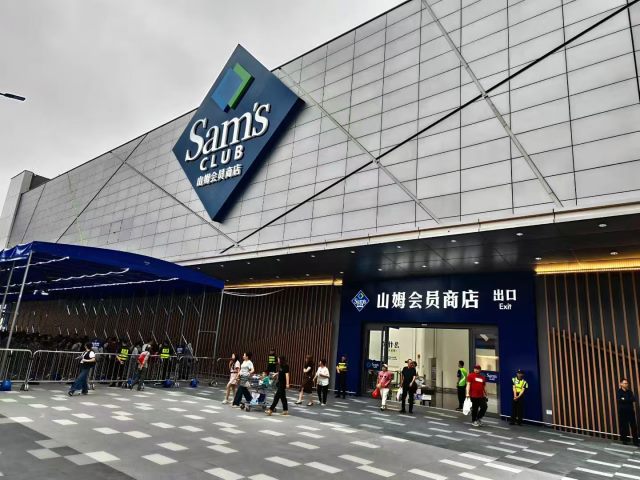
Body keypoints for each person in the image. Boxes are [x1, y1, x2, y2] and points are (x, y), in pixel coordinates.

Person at [617, 378, 639, 445]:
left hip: (630, 411)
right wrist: (628, 399)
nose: (626, 384)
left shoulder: (630, 392)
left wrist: (625, 399)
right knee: (624, 426)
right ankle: (624, 440)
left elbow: (634, 399)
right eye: (624, 383)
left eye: (627, 383)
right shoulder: (619, 392)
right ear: (621, 384)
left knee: (634, 426)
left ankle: (635, 441)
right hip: (622, 412)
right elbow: (619, 400)